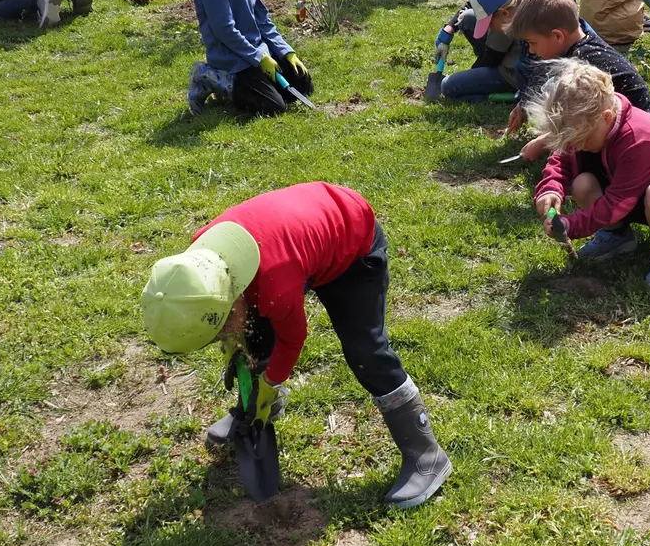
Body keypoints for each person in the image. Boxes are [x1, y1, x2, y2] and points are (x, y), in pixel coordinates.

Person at [140, 182, 452, 508]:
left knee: (365, 351)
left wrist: (270, 382)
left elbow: (292, 340)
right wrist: (242, 353)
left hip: (352, 241)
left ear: (230, 299)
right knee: (254, 335)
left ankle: (426, 454)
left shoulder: (273, 283)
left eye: (220, 328)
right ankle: (257, 412)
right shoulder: (199, 263)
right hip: (299, 240)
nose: (221, 336)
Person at [528, 61, 650, 288]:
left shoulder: (639, 139)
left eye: (580, 139)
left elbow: (618, 200)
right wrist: (550, 188)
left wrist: (571, 225)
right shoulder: (587, 126)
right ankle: (616, 236)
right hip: (633, 193)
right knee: (582, 184)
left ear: (606, 117)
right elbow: (561, 159)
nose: (575, 146)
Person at [506, 0, 650, 159]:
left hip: (628, 138)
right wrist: (522, 104)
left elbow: (583, 117)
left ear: (557, 36)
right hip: (616, 125)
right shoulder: (579, 48)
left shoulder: (582, 64)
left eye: (533, 43)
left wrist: (545, 141)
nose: (531, 51)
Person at [441, 0, 529, 102]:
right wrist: (448, 28)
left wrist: (473, 76)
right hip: (516, 64)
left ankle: (502, 96)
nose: (488, 28)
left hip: (513, 74)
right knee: (468, 17)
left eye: (489, 23)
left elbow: (493, 56)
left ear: (504, 14)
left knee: (448, 86)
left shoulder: (511, 21)